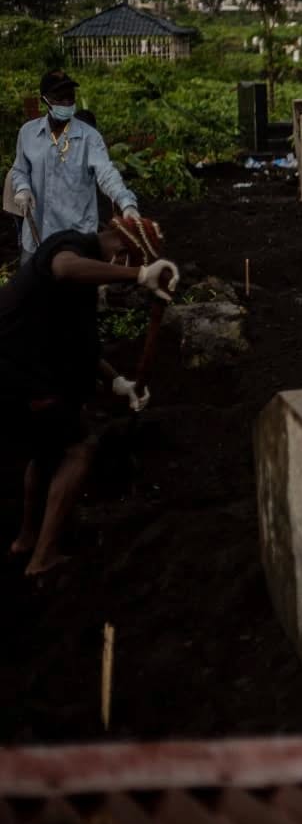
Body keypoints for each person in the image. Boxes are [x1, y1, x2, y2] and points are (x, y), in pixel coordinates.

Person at [3, 217, 180, 575]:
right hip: (19, 370)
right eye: (128, 262)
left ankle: (26, 540)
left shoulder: (80, 293)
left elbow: (83, 350)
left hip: (22, 369)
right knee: (78, 449)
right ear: (119, 250)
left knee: (46, 450)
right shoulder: (72, 247)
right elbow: (64, 268)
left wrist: (118, 383)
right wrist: (140, 276)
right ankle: (43, 558)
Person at [10, 71, 139, 265]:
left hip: (77, 238)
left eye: (70, 97)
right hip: (37, 235)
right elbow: (20, 170)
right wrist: (23, 189)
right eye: (59, 98)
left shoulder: (89, 137)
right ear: (44, 100)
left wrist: (126, 203)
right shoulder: (28, 133)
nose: (66, 103)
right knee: (33, 289)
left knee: (75, 288)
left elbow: (106, 173)